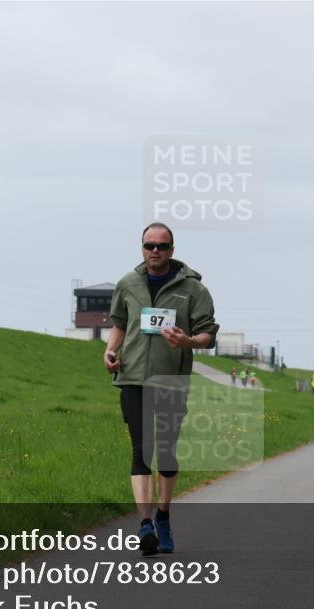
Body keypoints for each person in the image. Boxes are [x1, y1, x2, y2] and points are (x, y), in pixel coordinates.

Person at [104, 222, 218, 556]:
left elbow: (208, 335)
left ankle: (164, 514)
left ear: (172, 249)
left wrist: (188, 341)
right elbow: (120, 325)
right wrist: (109, 351)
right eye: (149, 246)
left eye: (162, 246)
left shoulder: (193, 289)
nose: (155, 251)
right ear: (141, 248)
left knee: (166, 452)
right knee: (142, 451)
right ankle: (144, 525)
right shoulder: (128, 284)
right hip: (133, 378)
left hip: (171, 380)